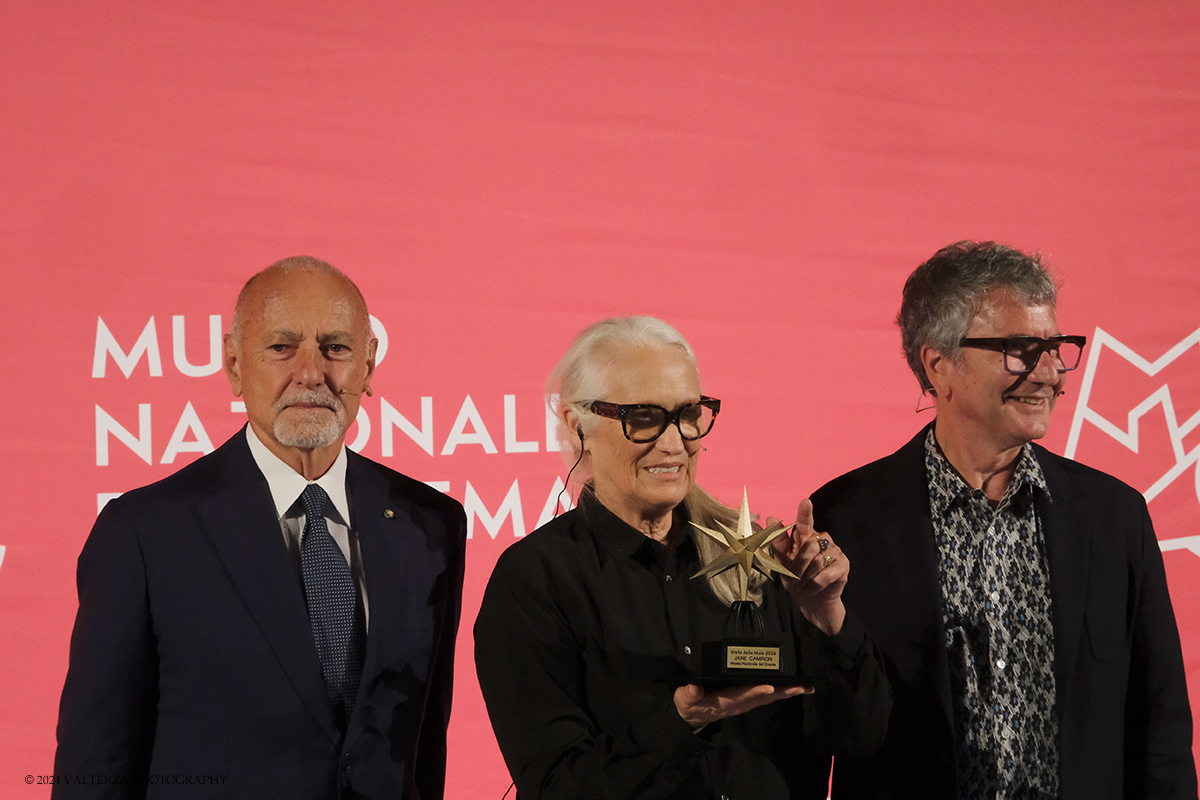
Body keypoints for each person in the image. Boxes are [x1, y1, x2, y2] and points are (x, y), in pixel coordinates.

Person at [53, 256, 467, 799]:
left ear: (368, 366)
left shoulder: (430, 524)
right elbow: (96, 765)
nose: (311, 372)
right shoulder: (144, 534)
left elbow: (423, 749)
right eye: (281, 347)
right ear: (233, 365)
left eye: (335, 347)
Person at [812, 241, 1196, 799]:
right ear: (938, 364)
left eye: (1057, 348)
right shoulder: (846, 520)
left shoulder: (1115, 517)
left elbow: (1159, 722)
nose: (1049, 374)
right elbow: (821, 729)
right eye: (1020, 349)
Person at [474, 316, 890, 800]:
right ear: (576, 424)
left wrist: (826, 618)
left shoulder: (765, 560)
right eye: (643, 417)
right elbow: (556, 784)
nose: (674, 442)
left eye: (688, 414)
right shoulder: (536, 579)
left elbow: (860, 736)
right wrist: (680, 720)